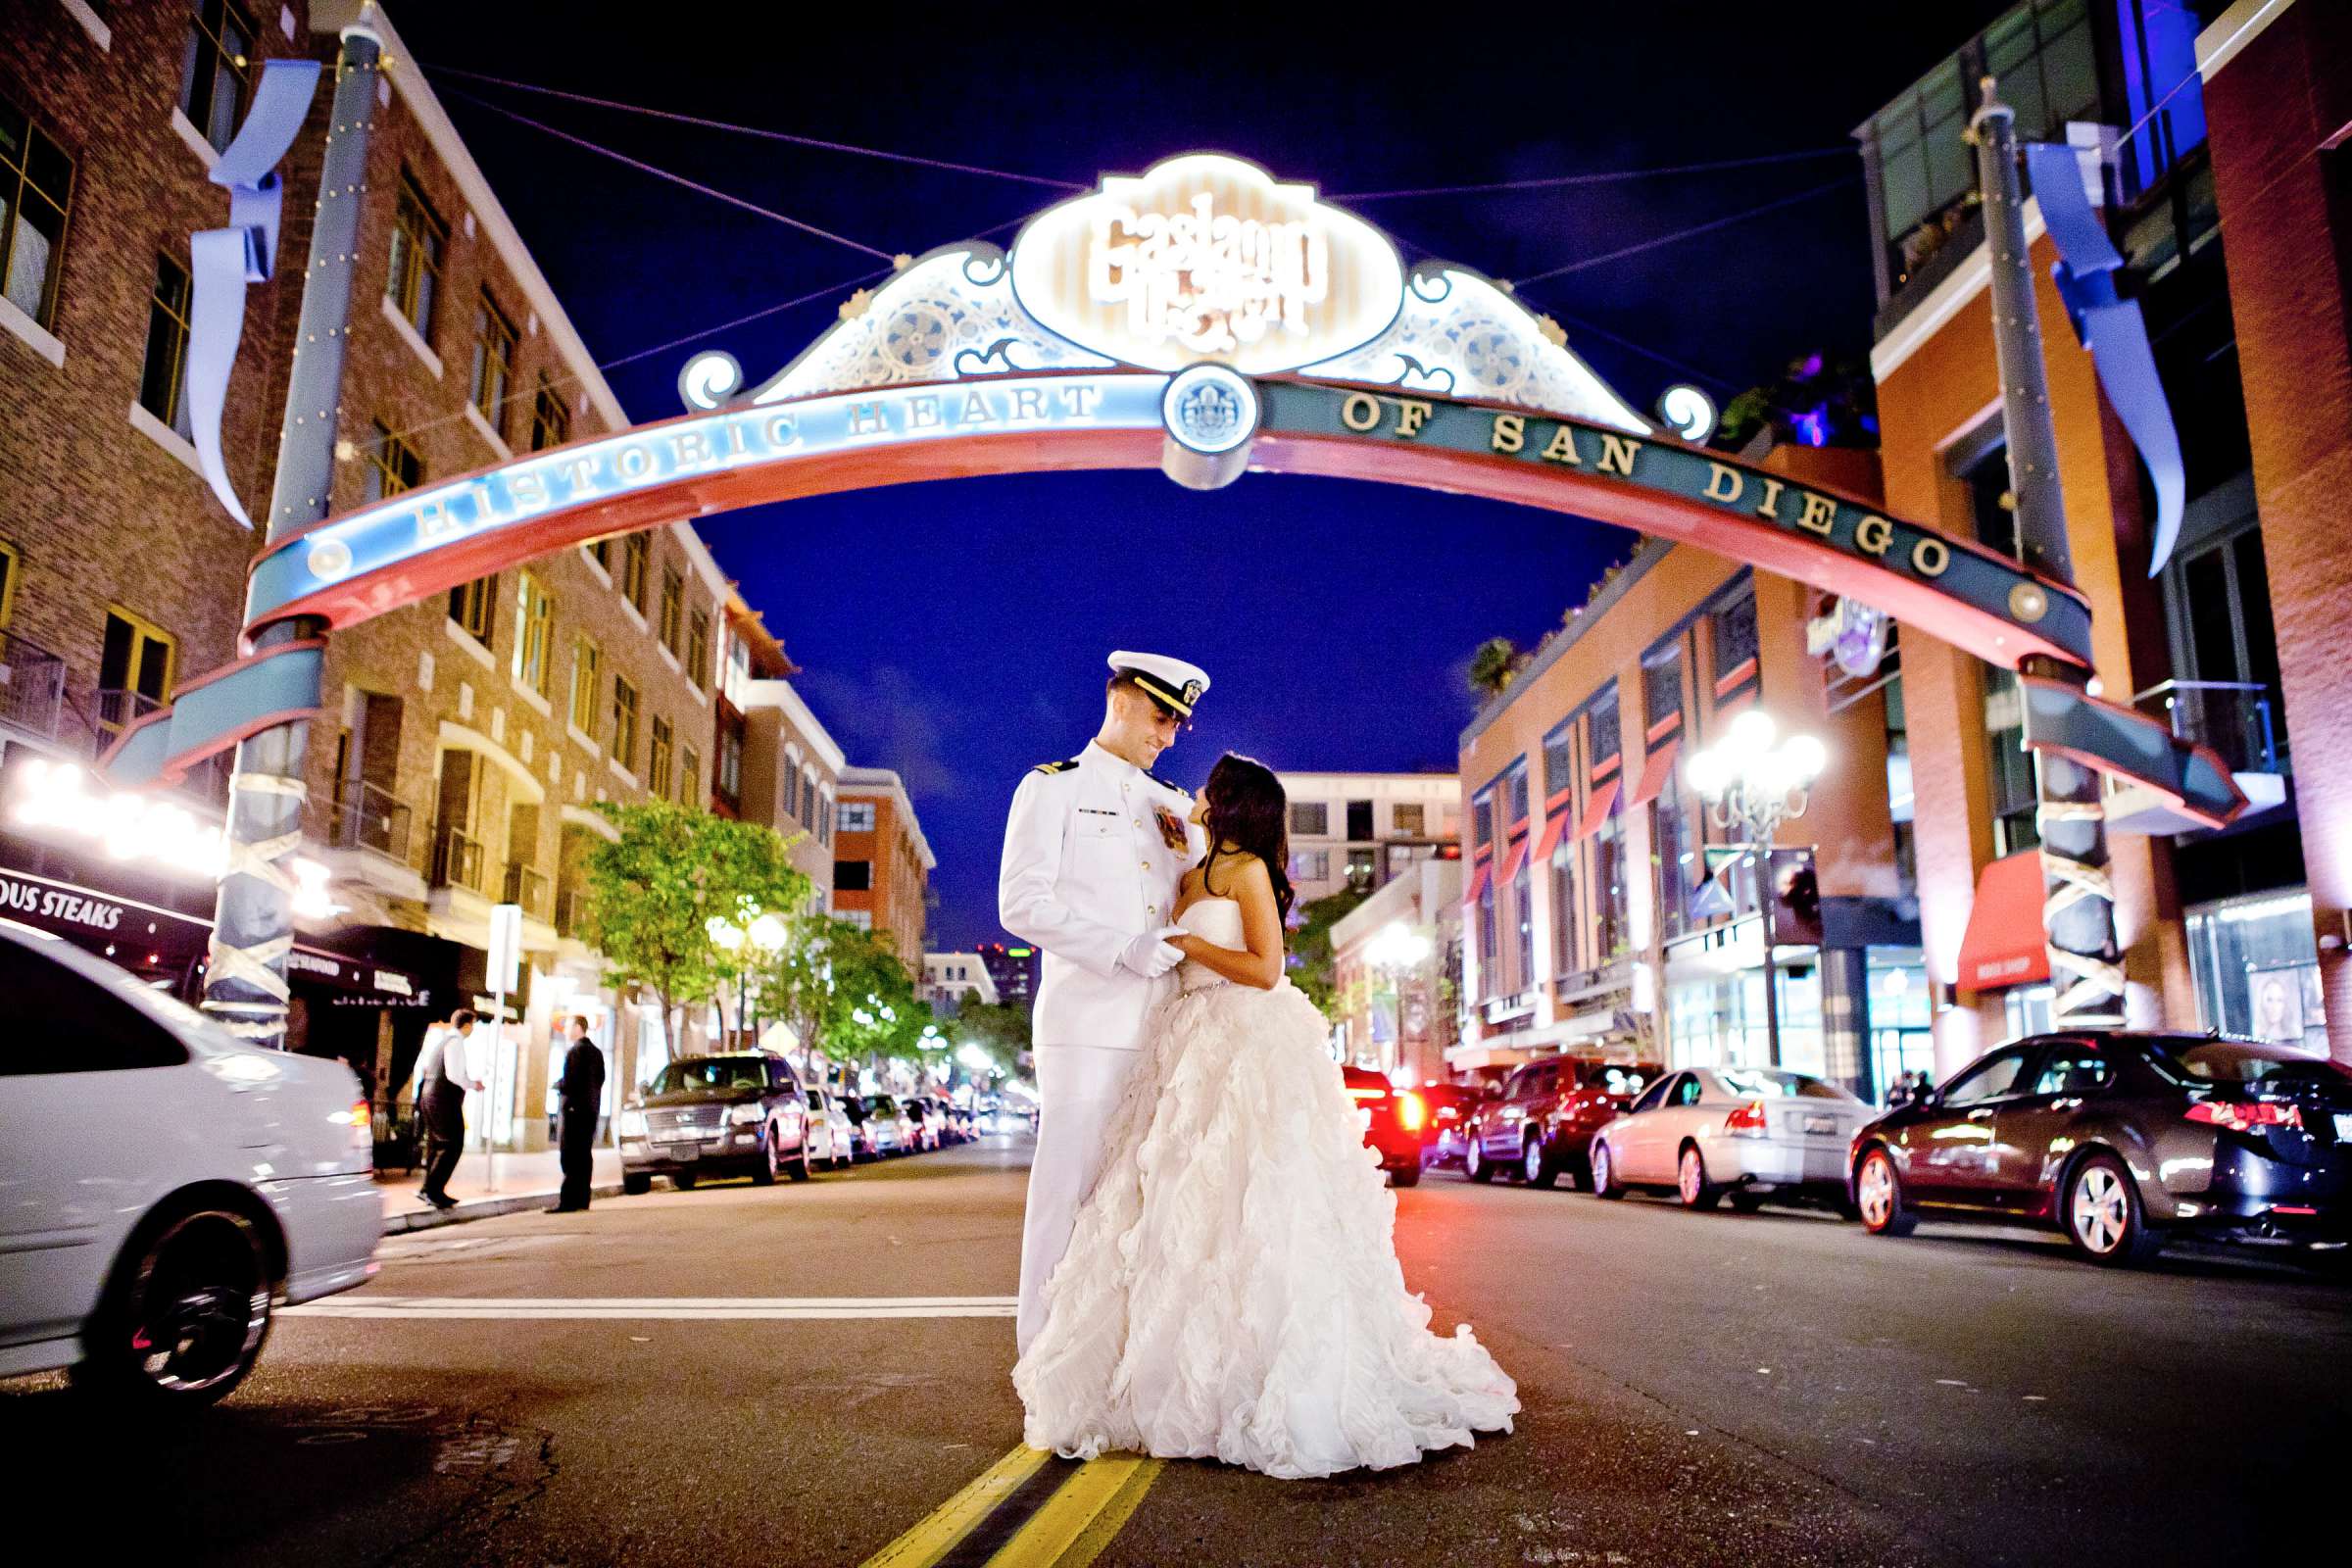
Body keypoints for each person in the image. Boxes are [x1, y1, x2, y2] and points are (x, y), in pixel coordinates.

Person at [1015, 754, 1517, 1480]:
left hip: (1243, 1036)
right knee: (1184, 1207)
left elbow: (1266, 968)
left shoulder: (1249, 870)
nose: (1197, 797)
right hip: (1184, 1039)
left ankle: (1263, 1372)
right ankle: (1179, 1366)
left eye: (1210, 793)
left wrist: (1189, 944)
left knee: (1250, 1199)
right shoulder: (1189, 871)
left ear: (1232, 805)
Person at [999, 650, 1209, 1353]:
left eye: (1179, 722)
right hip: (1087, 1024)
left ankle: (1123, 1358)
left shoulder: (1174, 805)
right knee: (1068, 1191)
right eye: (1161, 716)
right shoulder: (1051, 788)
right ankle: (1045, 1360)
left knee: (1147, 1199)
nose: (1171, 734)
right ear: (1121, 701)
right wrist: (1123, 947)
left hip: (1165, 1029)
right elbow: (1020, 904)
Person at [416, 1007, 481, 1209]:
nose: (473, 1029)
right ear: (467, 1024)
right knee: (452, 1144)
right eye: (473, 1025)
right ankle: (434, 1190)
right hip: (443, 1099)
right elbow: (454, 1075)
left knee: (437, 1145)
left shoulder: (443, 1041)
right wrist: (473, 1084)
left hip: (430, 1096)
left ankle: (429, 1189)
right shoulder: (455, 1042)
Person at [550, 1014, 606, 1213]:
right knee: (584, 1154)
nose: (565, 1030)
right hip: (591, 1111)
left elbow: (572, 1081)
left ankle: (568, 1200)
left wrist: (559, 1085)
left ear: (578, 1028)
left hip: (574, 1111)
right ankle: (582, 1199)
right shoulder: (597, 1053)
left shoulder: (576, 1051)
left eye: (568, 1026)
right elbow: (599, 1080)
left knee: (570, 1155)